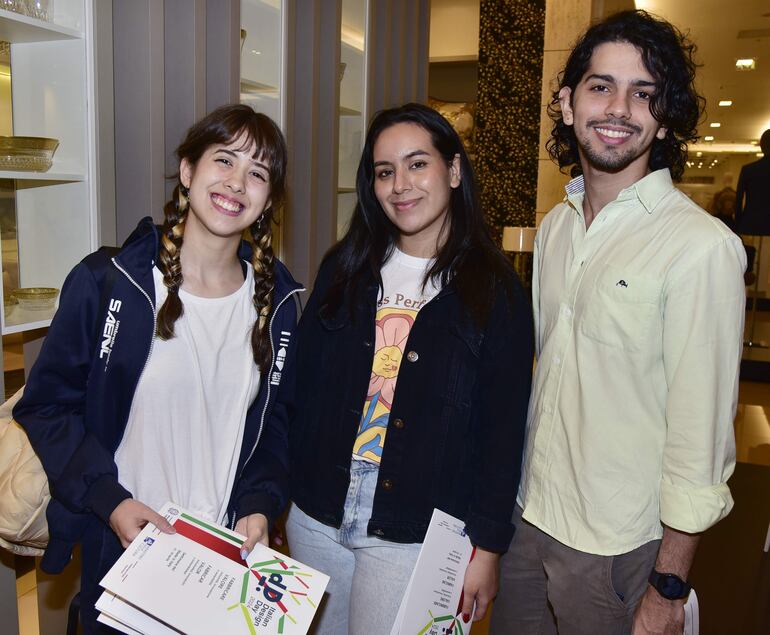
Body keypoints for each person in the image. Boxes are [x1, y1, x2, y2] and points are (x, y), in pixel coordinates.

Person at [490, 10, 746, 635]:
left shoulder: (700, 247)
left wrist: (666, 590)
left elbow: (701, 442)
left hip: (616, 547)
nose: (619, 108)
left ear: (664, 117)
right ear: (566, 101)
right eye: (601, 86)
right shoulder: (554, 228)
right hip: (527, 518)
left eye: (644, 94)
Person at [14, 104, 303, 633]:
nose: (237, 182)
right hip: (125, 549)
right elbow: (47, 407)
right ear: (188, 172)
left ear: (266, 201)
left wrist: (260, 505)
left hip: (220, 561)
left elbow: (276, 426)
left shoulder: (277, 306)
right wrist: (112, 501)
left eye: (257, 173)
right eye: (225, 160)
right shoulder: (111, 280)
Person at [284, 103, 533, 634]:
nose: (401, 185)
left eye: (418, 164)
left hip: (416, 527)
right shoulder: (344, 267)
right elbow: (300, 390)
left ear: (454, 170)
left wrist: (488, 547)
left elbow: (504, 432)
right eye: (384, 171)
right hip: (316, 514)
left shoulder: (495, 292)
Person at [735, 129, 770, 235]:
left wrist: (738, 223)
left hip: (751, 223)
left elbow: (738, 200)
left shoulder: (749, 170)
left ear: (761, 146)